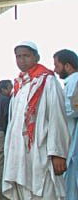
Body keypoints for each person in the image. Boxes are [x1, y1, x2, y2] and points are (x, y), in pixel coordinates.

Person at [3, 40, 70, 199]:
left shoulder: (47, 81)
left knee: (43, 191)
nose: (22, 60)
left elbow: (56, 117)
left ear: (36, 57)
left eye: (26, 55)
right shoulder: (20, 84)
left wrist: (58, 153)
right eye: (18, 56)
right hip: (19, 152)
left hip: (40, 151)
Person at [54, 48, 78, 198]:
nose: (55, 70)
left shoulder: (75, 80)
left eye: (57, 66)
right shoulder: (71, 82)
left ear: (67, 66)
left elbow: (72, 109)